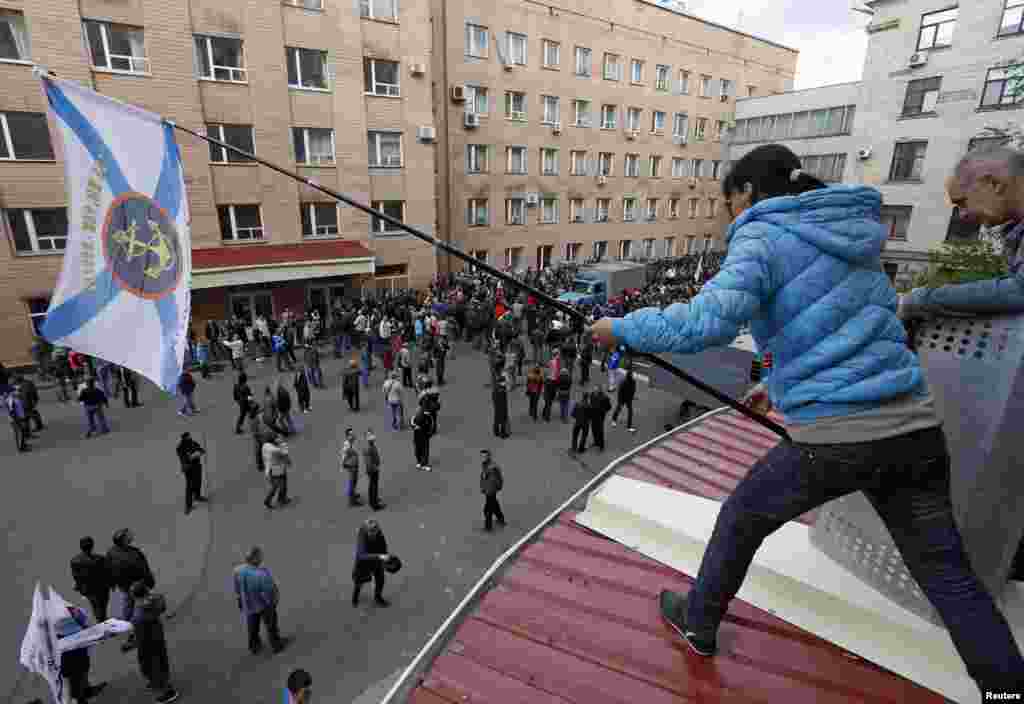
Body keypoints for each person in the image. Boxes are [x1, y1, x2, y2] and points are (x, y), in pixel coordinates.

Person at [589, 143, 1024, 695]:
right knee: (950, 578)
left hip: (841, 438)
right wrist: (778, 384)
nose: (728, 216)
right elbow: (846, 324)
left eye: (728, 203)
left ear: (746, 194)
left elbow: (706, 323)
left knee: (743, 515)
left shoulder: (762, 232)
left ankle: (698, 620)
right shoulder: (849, 229)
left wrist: (621, 329)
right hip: (914, 428)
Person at [899, 145, 1024, 581]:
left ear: (994, 183)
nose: (965, 216)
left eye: (963, 203)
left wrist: (922, 300)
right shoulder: (1014, 232)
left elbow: (1020, 292)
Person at [128, 581, 178, 703]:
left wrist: (131, 643)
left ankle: (167, 691)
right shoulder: (155, 601)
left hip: (147, 643)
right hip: (157, 636)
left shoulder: (140, 614)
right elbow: (160, 602)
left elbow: (140, 634)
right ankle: (158, 682)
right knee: (160, 662)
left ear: (135, 596)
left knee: (153, 665)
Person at [107, 529, 155, 653]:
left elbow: (109, 568)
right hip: (137, 585)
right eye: (128, 536)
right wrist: (150, 582)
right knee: (141, 606)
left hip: (123, 586)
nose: (131, 536)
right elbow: (144, 570)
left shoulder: (111, 552)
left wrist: (112, 583)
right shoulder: (134, 554)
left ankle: (128, 623)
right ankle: (138, 631)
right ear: (124, 540)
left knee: (127, 605)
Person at [233, 546, 287, 654]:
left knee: (252, 625)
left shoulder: (238, 570)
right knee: (271, 624)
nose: (261, 558)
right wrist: (273, 602)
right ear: (255, 559)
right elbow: (268, 591)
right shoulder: (260, 574)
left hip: (248, 603)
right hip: (263, 604)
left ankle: (254, 645)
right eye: (259, 556)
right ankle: (276, 644)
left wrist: (239, 598)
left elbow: (237, 586)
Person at [71, 536, 111, 624]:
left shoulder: (75, 560)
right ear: (92, 546)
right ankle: (102, 623)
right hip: (102, 588)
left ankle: (101, 620)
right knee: (102, 608)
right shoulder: (100, 559)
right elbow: (107, 573)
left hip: (88, 589)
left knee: (95, 606)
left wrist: (79, 587)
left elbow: (76, 576)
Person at [352, 519, 391, 607]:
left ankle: (378, 597)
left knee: (380, 580)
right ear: (366, 531)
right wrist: (379, 556)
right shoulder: (362, 537)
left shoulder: (378, 532)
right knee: (359, 581)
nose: (374, 534)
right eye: (371, 532)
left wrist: (385, 557)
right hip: (364, 563)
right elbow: (361, 555)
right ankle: (355, 597)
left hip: (377, 561)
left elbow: (383, 544)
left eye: (375, 531)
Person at [175, 432, 207, 515]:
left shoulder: (193, 442)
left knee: (198, 481)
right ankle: (188, 506)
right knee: (189, 486)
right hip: (188, 468)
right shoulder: (180, 447)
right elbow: (183, 458)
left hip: (197, 466)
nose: (189, 438)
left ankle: (197, 496)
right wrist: (191, 457)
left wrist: (200, 452)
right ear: (184, 438)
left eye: (190, 436)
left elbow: (201, 449)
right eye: (188, 437)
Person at [262, 434, 291, 509]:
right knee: (282, 484)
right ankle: (278, 499)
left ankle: (278, 499)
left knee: (276, 485)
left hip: (269, 468)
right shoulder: (275, 450)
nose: (278, 439)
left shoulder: (265, 446)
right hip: (277, 468)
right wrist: (282, 444)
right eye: (277, 438)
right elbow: (284, 454)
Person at [479, 449, 505, 532]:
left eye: (484, 456)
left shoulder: (492, 467)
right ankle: (501, 519)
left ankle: (488, 527)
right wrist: (483, 488)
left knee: (487, 509)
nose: (482, 458)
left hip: (491, 490)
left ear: (488, 457)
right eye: (481, 456)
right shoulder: (485, 465)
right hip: (488, 490)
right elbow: (483, 478)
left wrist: (493, 488)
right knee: (494, 505)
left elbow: (496, 479)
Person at [363, 429, 385, 511]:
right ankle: (374, 504)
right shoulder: (368, 447)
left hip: (373, 469)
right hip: (373, 470)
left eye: (372, 434)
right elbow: (369, 463)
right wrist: (375, 468)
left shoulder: (371, 445)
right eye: (369, 435)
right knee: (374, 486)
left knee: (372, 485)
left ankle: (372, 499)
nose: (372, 437)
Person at [611, 368, 637, 433]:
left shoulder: (633, 381)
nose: (634, 375)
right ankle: (614, 420)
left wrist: (632, 397)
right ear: (630, 375)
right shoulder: (623, 382)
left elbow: (633, 390)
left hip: (628, 399)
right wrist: (620, 400)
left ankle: (629, 427)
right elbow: (619, 391)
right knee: (618, 408)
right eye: (633, 374)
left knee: (630, 412)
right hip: (622, 398)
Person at [587, 384, 613, 451]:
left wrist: (603, 411)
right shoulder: (592, 395)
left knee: (600, 431)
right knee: (594, 429)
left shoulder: (604, 397)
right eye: (594, 389)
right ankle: (596, 442)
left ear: (599, 390)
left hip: (600, 417)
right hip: (593, 415)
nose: (595, 390)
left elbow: (609, 407)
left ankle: (601, 445)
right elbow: (591, 402)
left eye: (596, 389)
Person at [341, 428, 362, 507]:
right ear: (347, 436)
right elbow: (344, 455)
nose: (353, 435)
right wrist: (344, 464)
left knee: (354, 481)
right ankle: (352, 501)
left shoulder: (352, 443)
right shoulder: (347, 445)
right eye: (351, 435)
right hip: (352, 466)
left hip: (354, 465)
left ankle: (353, 494)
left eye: (353, 434)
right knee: (352, 482)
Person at [7, 386, 31, 452]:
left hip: (20, 418)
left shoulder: (18, 398)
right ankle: (21, 448)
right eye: (17, 390)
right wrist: (16, 420)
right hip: (16, 419)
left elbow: (21, 408)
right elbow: (11, 411)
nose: (19, 392)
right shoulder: (10, 399)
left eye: (19, 390)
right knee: (19, 434)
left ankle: (23, 445)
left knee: (23, 432)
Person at [411, 402, 433, 471]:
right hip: (418, 436)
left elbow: (431, 426)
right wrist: (415, 426)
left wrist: (429, 434)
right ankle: (420, 462)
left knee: (424, 450)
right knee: (419, 450)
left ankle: (424, 464)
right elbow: (411, 422)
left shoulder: (428, 416)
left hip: (424, 436)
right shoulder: (417, 415)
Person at [570, 389, 591, 454]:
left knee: (575, 435)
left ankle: (574, 447)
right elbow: (590, 416)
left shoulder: (577, 404)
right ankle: (581, 449)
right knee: (584, 436)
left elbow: (573, 414)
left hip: (577, 422)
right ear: (587, 397)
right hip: (585, 423)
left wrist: (577, 417)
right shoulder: (588, 406)